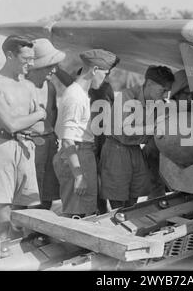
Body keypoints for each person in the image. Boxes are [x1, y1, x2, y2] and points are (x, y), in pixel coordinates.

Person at [0, 35, 46, 251]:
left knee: (30, 208)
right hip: (2, 149)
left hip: (26, 148)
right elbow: (9, 124)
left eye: (32, 58)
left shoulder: (29, 86)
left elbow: (40, 128)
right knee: (3, 212)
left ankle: (26, 256)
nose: (31, 63)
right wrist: (38, 114)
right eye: (26, 58)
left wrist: (29, 121)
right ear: (10, 55)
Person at [53, 49, 119, 218]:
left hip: (83, 154)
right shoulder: (75, 96)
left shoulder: (81, 94)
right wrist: (78, 175)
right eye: (104, 74)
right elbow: (68, 140)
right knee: (77, 215)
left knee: (85, 213)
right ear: (95, 70)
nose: (105, 79)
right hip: (78, 155)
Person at [99, 65, 175, 209]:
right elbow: (125, 130)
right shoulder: (127, 97)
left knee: (135, 193)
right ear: (150, 83)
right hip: (117, 149)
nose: (166, 95)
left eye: (168, 92)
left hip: (135, 149)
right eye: (163, 90)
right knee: (117, 197)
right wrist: (155, 128)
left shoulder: (159, 103)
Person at [25, 38, 66, 210]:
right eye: (50, 65)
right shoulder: (20, 87)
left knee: (48, 192)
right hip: (31, 146)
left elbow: (53, 112)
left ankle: (41, 233)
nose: (54, 70)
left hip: (49, 143)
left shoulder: (50, 87)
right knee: (29, 194)